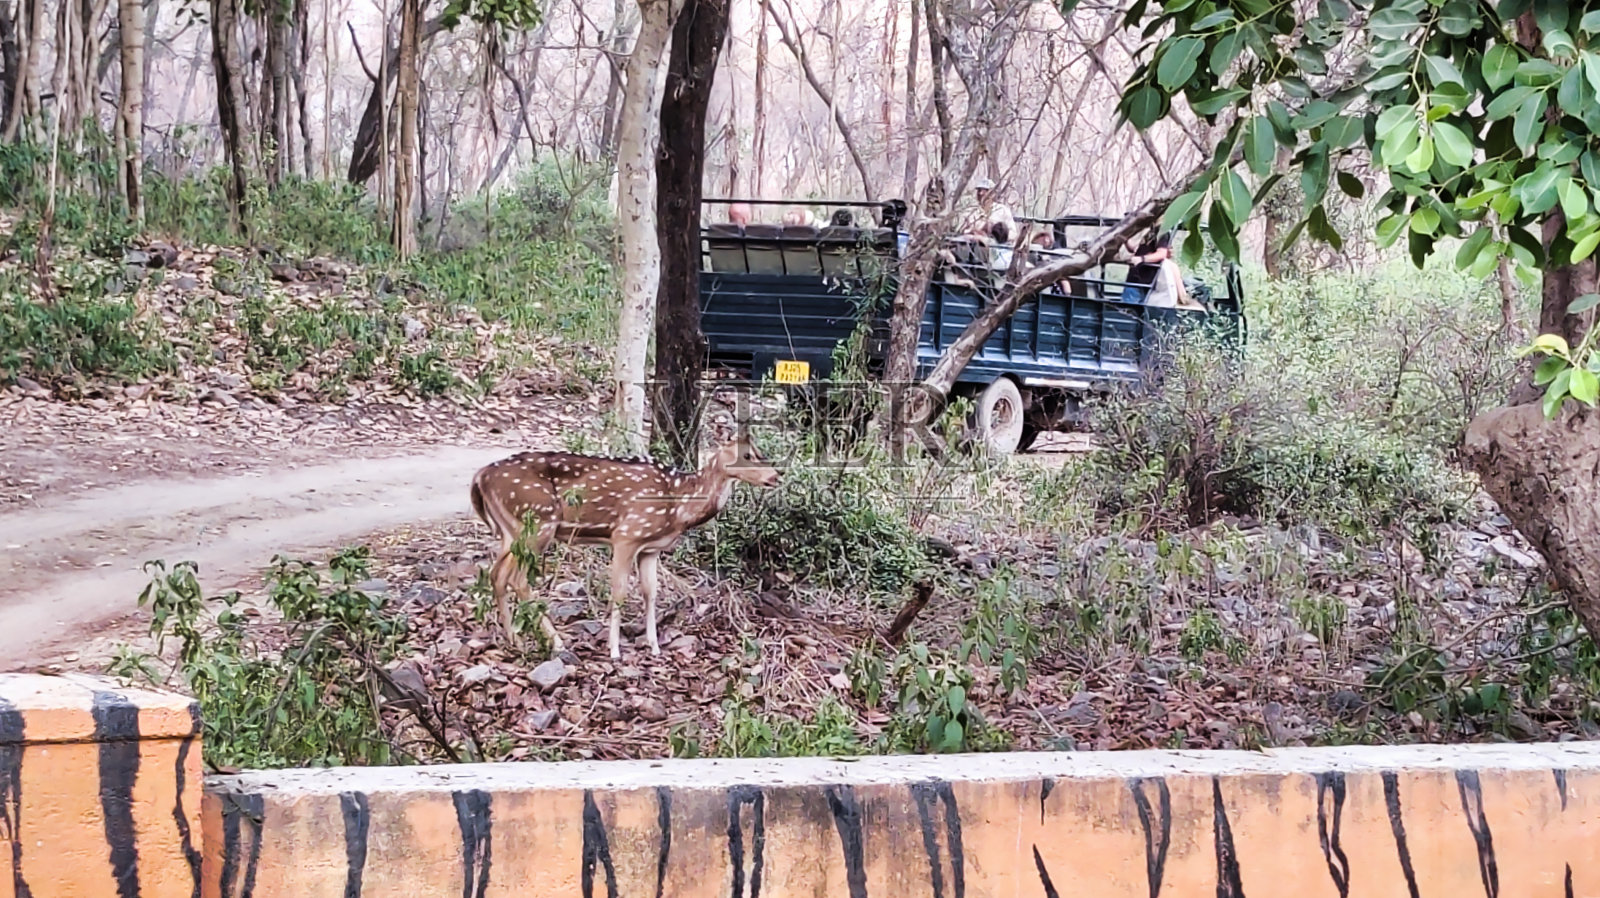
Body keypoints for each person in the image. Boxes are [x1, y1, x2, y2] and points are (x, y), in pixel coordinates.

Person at [1125, 233, 1203, 309]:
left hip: (1154, 284)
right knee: (1128, 312)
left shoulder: (1162, 232)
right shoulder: (1139, 230)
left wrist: (1142, 259)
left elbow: (1161, 254)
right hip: (1134, 281)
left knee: (1144, 314)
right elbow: (1130, 247)